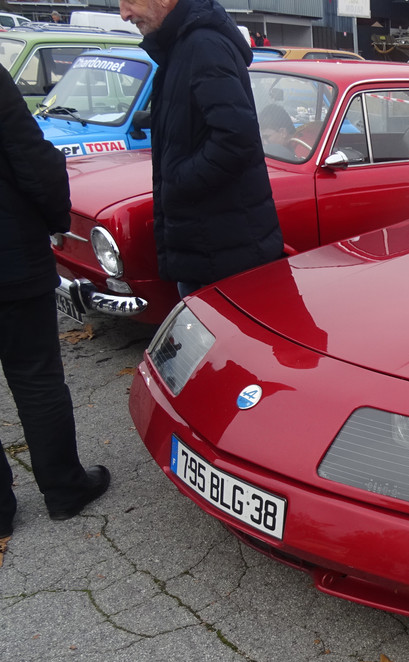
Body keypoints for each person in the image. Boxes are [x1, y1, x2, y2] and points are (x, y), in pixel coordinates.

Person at [0, 68, 110, 535]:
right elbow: (34, 159)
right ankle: (64, 489)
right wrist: (52, 220)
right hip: (10, 257)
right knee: (37, 378)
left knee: (36, 378)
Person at [118, 0, 283, 299]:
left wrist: (178, 183)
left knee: (222, 343)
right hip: (211, 245)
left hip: (223, 253)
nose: (124, 14)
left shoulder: (202, 45)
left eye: (129, 0)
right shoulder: (183, 45)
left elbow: (236, 138)